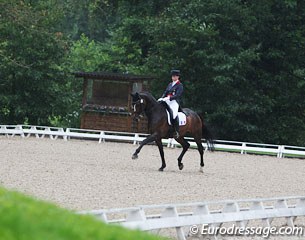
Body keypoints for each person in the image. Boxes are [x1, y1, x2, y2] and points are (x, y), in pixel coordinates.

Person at [158, 69, 183, 138]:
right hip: (167, 101)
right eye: (173, 76)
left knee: (174, 115)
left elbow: (178, 95)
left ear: (178, 77)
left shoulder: (180, 85)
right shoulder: (170, 84)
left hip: (174, 102)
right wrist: (162, 98)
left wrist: (169, 98)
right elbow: (165, 92)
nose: (173, 77)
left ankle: (176, 131)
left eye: (175, 76)